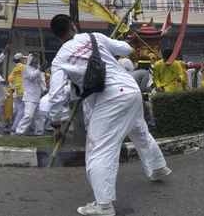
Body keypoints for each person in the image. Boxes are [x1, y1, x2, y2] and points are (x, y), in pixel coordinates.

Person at [49, 14, 171, 216]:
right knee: (139, 130)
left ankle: (103, 205)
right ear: (73, 26)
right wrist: (108, 44)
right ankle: (158, 167)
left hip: (112, 98)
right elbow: (127, 49)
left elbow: (54, 95)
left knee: (99, 149)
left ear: (56, 35)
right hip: (130, 91)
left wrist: (56, 125)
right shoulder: (95, 37)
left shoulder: (60, 58)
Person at [15, 53, 47, 136]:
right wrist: (40, 69)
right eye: (34, 57)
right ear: (30, 59)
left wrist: (45, 90)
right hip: (29, 96)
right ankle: (19, 132)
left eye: (37, 57)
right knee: (28, 116)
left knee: (40, 116)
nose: (35, 58)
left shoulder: (38, 69)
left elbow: (42, 80)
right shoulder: (27, 68)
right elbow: (31, 76)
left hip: (37, 97)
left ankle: (39, 133)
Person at [9, 53, 27, 132]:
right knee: (22, 111)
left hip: (18, 91)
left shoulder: (15, 69)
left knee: (24, 110)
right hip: (24, 91)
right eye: (23, 59)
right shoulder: (23, 67)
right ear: (20, 59)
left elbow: (11, 79)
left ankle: (27, 128)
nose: (24, 60)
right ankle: (14, 127)